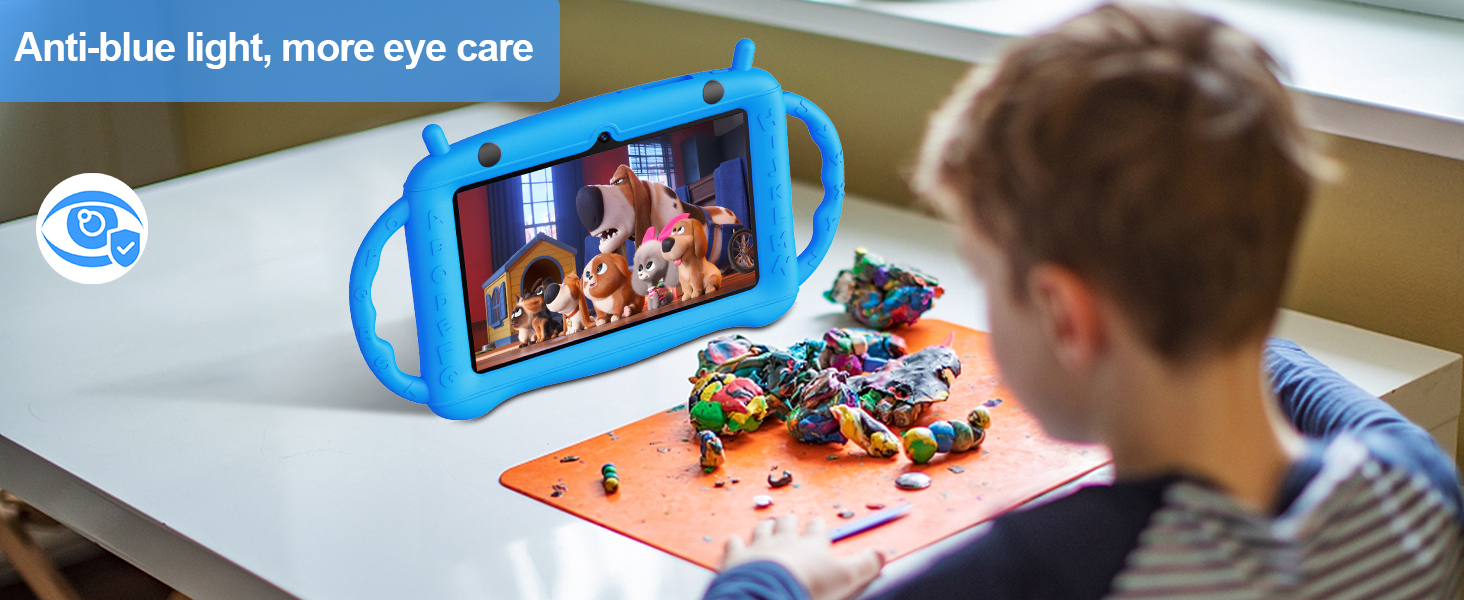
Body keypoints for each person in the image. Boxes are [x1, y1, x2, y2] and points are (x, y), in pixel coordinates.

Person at [702, 4, 1464, 599]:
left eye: (989, 279)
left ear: (1067, 317)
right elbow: (1294, 373)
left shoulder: (1043, 575)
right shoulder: (1416, 488)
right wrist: (1202, 304)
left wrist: (769, 581)